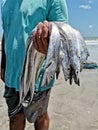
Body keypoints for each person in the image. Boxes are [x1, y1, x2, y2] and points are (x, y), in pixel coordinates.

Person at [1, 0, 68, 130]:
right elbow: (7, 30)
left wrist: (48, 44)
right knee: (14, 117)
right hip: (12, 73)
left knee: (39, 116)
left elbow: (62, 34)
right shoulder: (5, 2)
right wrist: (3, 64)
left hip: (39, 74)